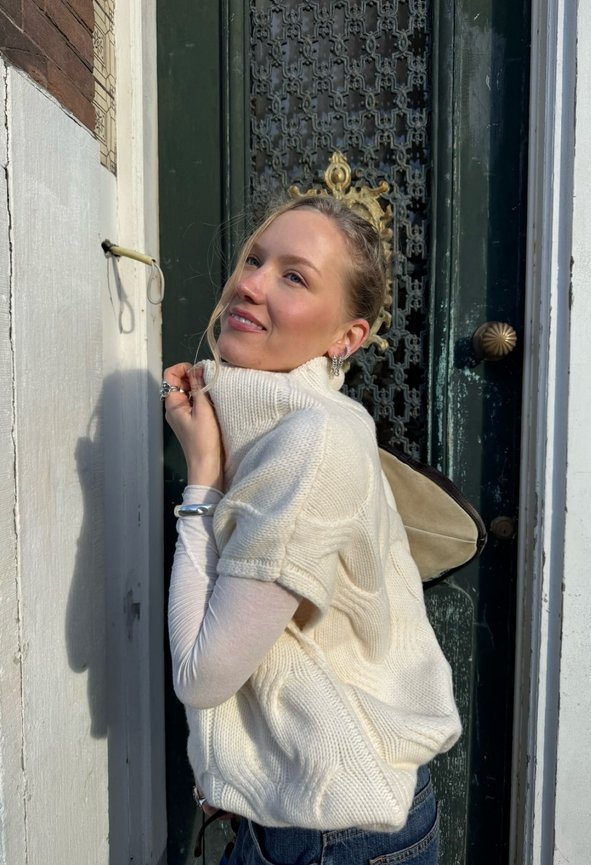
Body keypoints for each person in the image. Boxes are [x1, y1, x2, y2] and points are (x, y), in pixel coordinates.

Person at [163, 195, 461, 865]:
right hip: (309, 818)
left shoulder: (312, 441)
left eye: (294, 276)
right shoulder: (270, 421)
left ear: (346, 338)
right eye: (255, 259)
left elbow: (201, 675)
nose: (250, 282)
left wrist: (202, 481)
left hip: (335, 835)